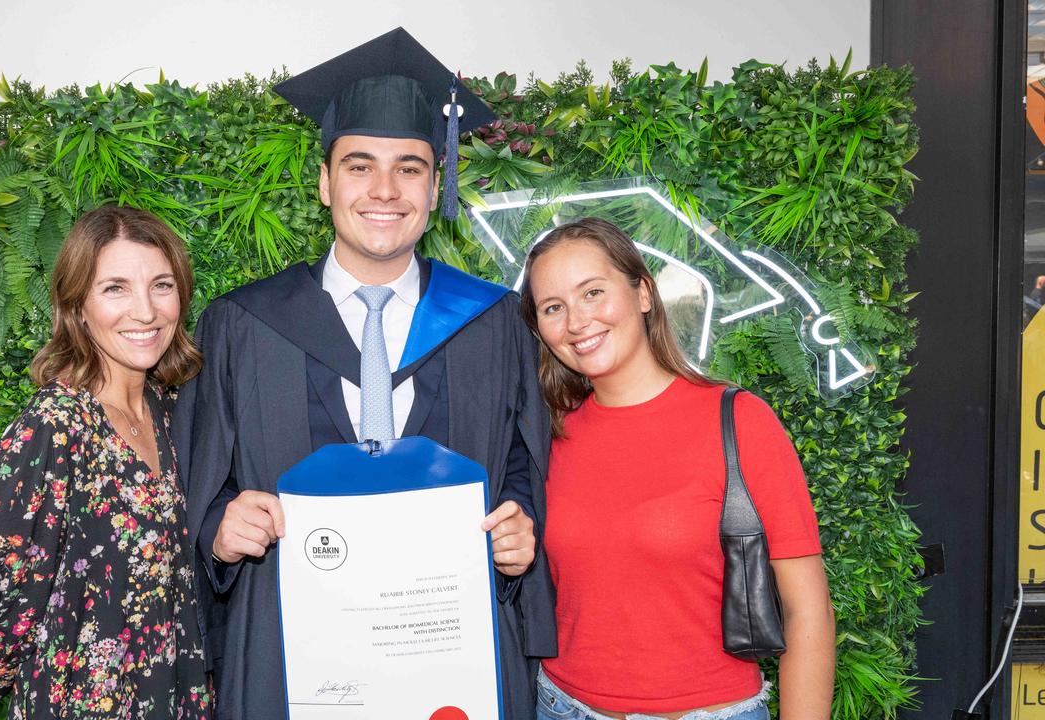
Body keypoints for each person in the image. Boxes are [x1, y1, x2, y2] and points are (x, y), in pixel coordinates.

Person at [174, 27, 555, 720]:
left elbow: (523, 463)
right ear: (324, 182)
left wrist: (521, 524)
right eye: (359, 166)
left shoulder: (491, 321)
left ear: (436, 184)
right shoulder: (243, 324)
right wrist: (219, 533)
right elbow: (202, 485)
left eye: (409, 168)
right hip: (291, 653)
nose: (385, 190)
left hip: (452, 648)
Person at [520, 218, 836, 720]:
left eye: (593, 292)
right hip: (563, 707)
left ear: (643, 292)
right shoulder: (546, 438)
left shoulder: (738, 421)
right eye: (553, 308)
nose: (577, 321)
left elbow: (808, 611)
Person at [0, 206, 211, 719]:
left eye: (161, 285)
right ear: (78, 307)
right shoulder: (56, 424)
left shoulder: (176, 412)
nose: (145, 311)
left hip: (177, 694)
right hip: (83, 701)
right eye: (115, 288)